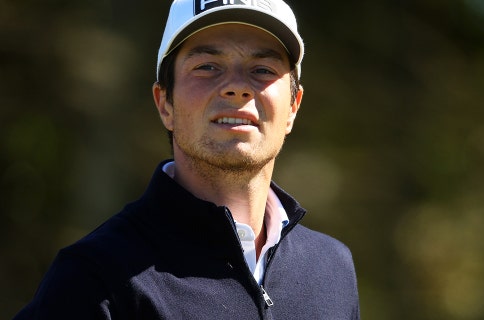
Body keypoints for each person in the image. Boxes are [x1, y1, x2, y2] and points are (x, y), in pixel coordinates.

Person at [14, 0, 360, 318]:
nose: (237, 87)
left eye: (263, 69)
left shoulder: (331, 267)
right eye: (208, 66)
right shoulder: (96, 275)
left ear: (293, 107)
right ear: (165, 103)